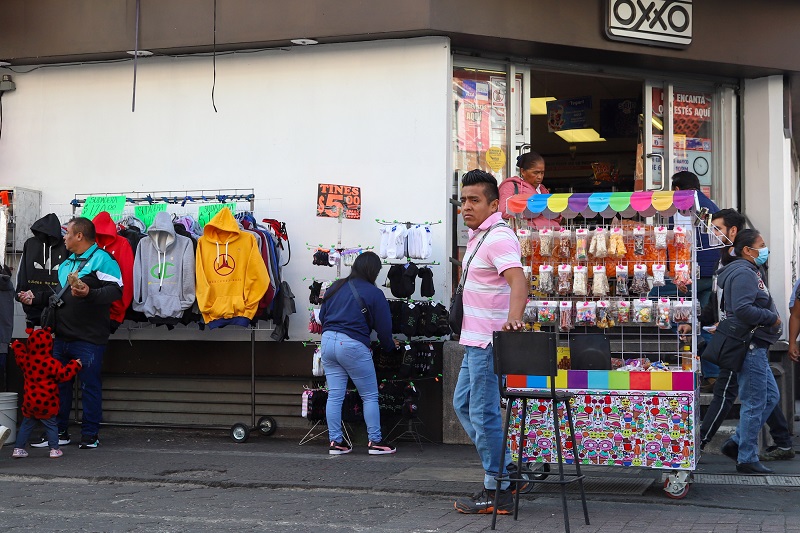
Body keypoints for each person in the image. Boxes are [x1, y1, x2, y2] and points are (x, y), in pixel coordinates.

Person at [453, 169, 528, 515]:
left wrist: (513, 321)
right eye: (463, 200)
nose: (466, 207)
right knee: (464, 406)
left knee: (483, 415)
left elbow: (518, 281)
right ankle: (508, 468)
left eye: (474, 200)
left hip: (489, 342)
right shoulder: (477, 236)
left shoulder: (498, 237)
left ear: (493, 204)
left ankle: (496, 488)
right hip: (474, 340)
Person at [697, 210, 794, 461]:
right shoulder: (732, 265)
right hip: (742, 338)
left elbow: (740, 304)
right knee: (755, 396)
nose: (713, 235)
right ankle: (749, 451)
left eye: (718, 229)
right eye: (713, 229)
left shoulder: (742, 265)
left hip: (747, 339)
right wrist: (770, 318)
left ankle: (737, 444)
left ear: (733, 232)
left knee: (757, 395)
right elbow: (730, 304)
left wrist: (766, 319)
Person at [22, 217, 123, 450]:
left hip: (89, 339)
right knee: (58, 387)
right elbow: (58, 295)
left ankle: (90, 435)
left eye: (67, 233)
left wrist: (89, 292)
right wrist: (34, 297)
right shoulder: (67, 263)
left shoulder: (103, 259)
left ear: (79, 236)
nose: (64, 237)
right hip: (61, 337)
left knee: (89, 387)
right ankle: (59, 432)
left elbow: (116, 291)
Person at [716, 229, 783, 474]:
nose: (765, 250)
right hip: (751, 344)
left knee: (770, 397)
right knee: (755, 401)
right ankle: (747, 457)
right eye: (761, 245)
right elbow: (743, 309)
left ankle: (737, 443)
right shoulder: (744, 273)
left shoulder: (748, 270)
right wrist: (772, 318)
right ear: (747, 250)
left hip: (756, 345)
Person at [319, 251, 397, 456]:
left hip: (327, 342)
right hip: (352, 344)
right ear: (373, 271)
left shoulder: (335, 287)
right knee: (369, 395)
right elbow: (384, 328)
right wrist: (390, 347)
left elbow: (322, 316)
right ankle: (375, 441)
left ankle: (336, 442)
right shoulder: (374, 293)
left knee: (335, 395)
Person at [10, 327, 82, 458]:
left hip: (30, 402)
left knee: (26, 425)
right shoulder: (52, 363)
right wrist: (75, 365)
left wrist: (16, 345)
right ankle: (54, 449)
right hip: (47, 402)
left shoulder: (27, 361)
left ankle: (18, 448)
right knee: (51, 425)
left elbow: (20, 355)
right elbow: (64, 375)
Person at [497, 151, 560, 228]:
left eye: (542, 173)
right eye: (535, 173)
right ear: (522, 171)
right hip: (524, 235)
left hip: (548, 234)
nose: (540, 177)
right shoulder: (510, 186)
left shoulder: (543, 189)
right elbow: (503, 211)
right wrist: (536, 210)